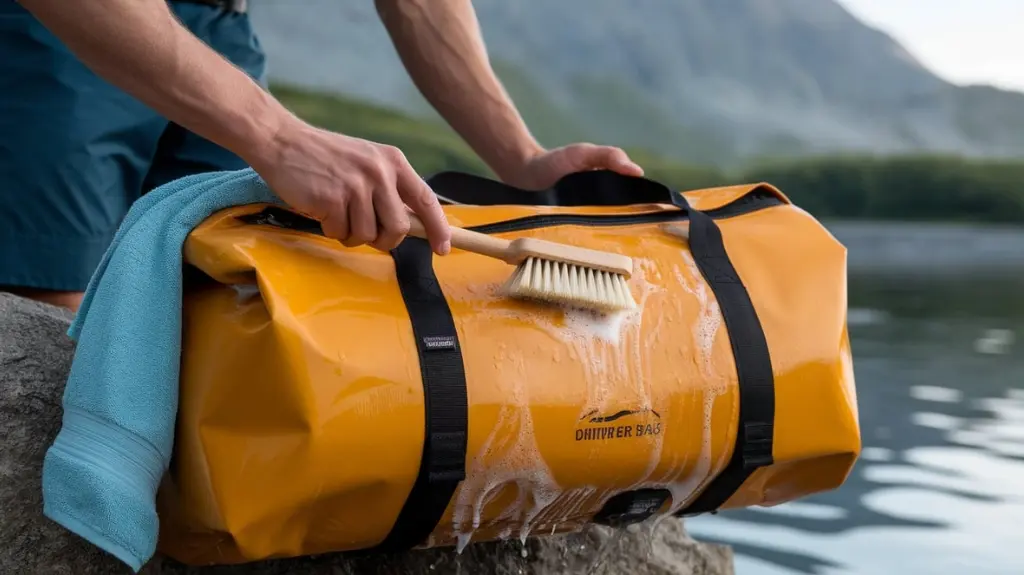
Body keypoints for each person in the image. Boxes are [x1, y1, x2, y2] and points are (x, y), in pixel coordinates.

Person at [0, 0, 644, 312]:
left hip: (220, 29)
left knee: (220, 317)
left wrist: (522, 160)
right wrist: (279, 139)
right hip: (65, 26)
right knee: (54, 340)